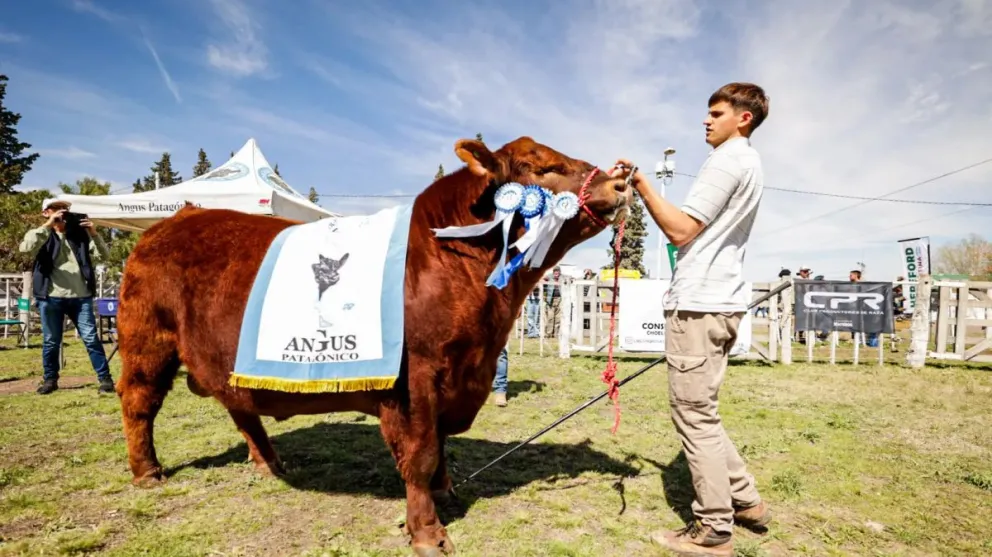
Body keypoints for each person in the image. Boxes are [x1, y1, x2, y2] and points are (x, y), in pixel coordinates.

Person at [611, 82, 771, 556]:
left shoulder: (726, 159)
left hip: (700, 303)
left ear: (743, 118)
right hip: (721, 301)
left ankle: (713, 529)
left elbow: (682, 230)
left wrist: (640, 184)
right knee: (705, 413)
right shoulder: (750, 161)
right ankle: (747, 504)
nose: (706, 120)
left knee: (694, 418)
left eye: (716, 113)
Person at [19, 200, 114, 395]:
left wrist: (94, 233)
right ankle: (50, 380)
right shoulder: (41, 235)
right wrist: (48, 225)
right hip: (50, 296)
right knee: (51, 341)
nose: (63, 214)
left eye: (66, 211)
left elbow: (104, 256)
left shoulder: (79, 236)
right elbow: (25, 248)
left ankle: (105, 379)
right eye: (57, 210)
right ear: (46, 213)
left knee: (90, 338)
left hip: (81, 297)